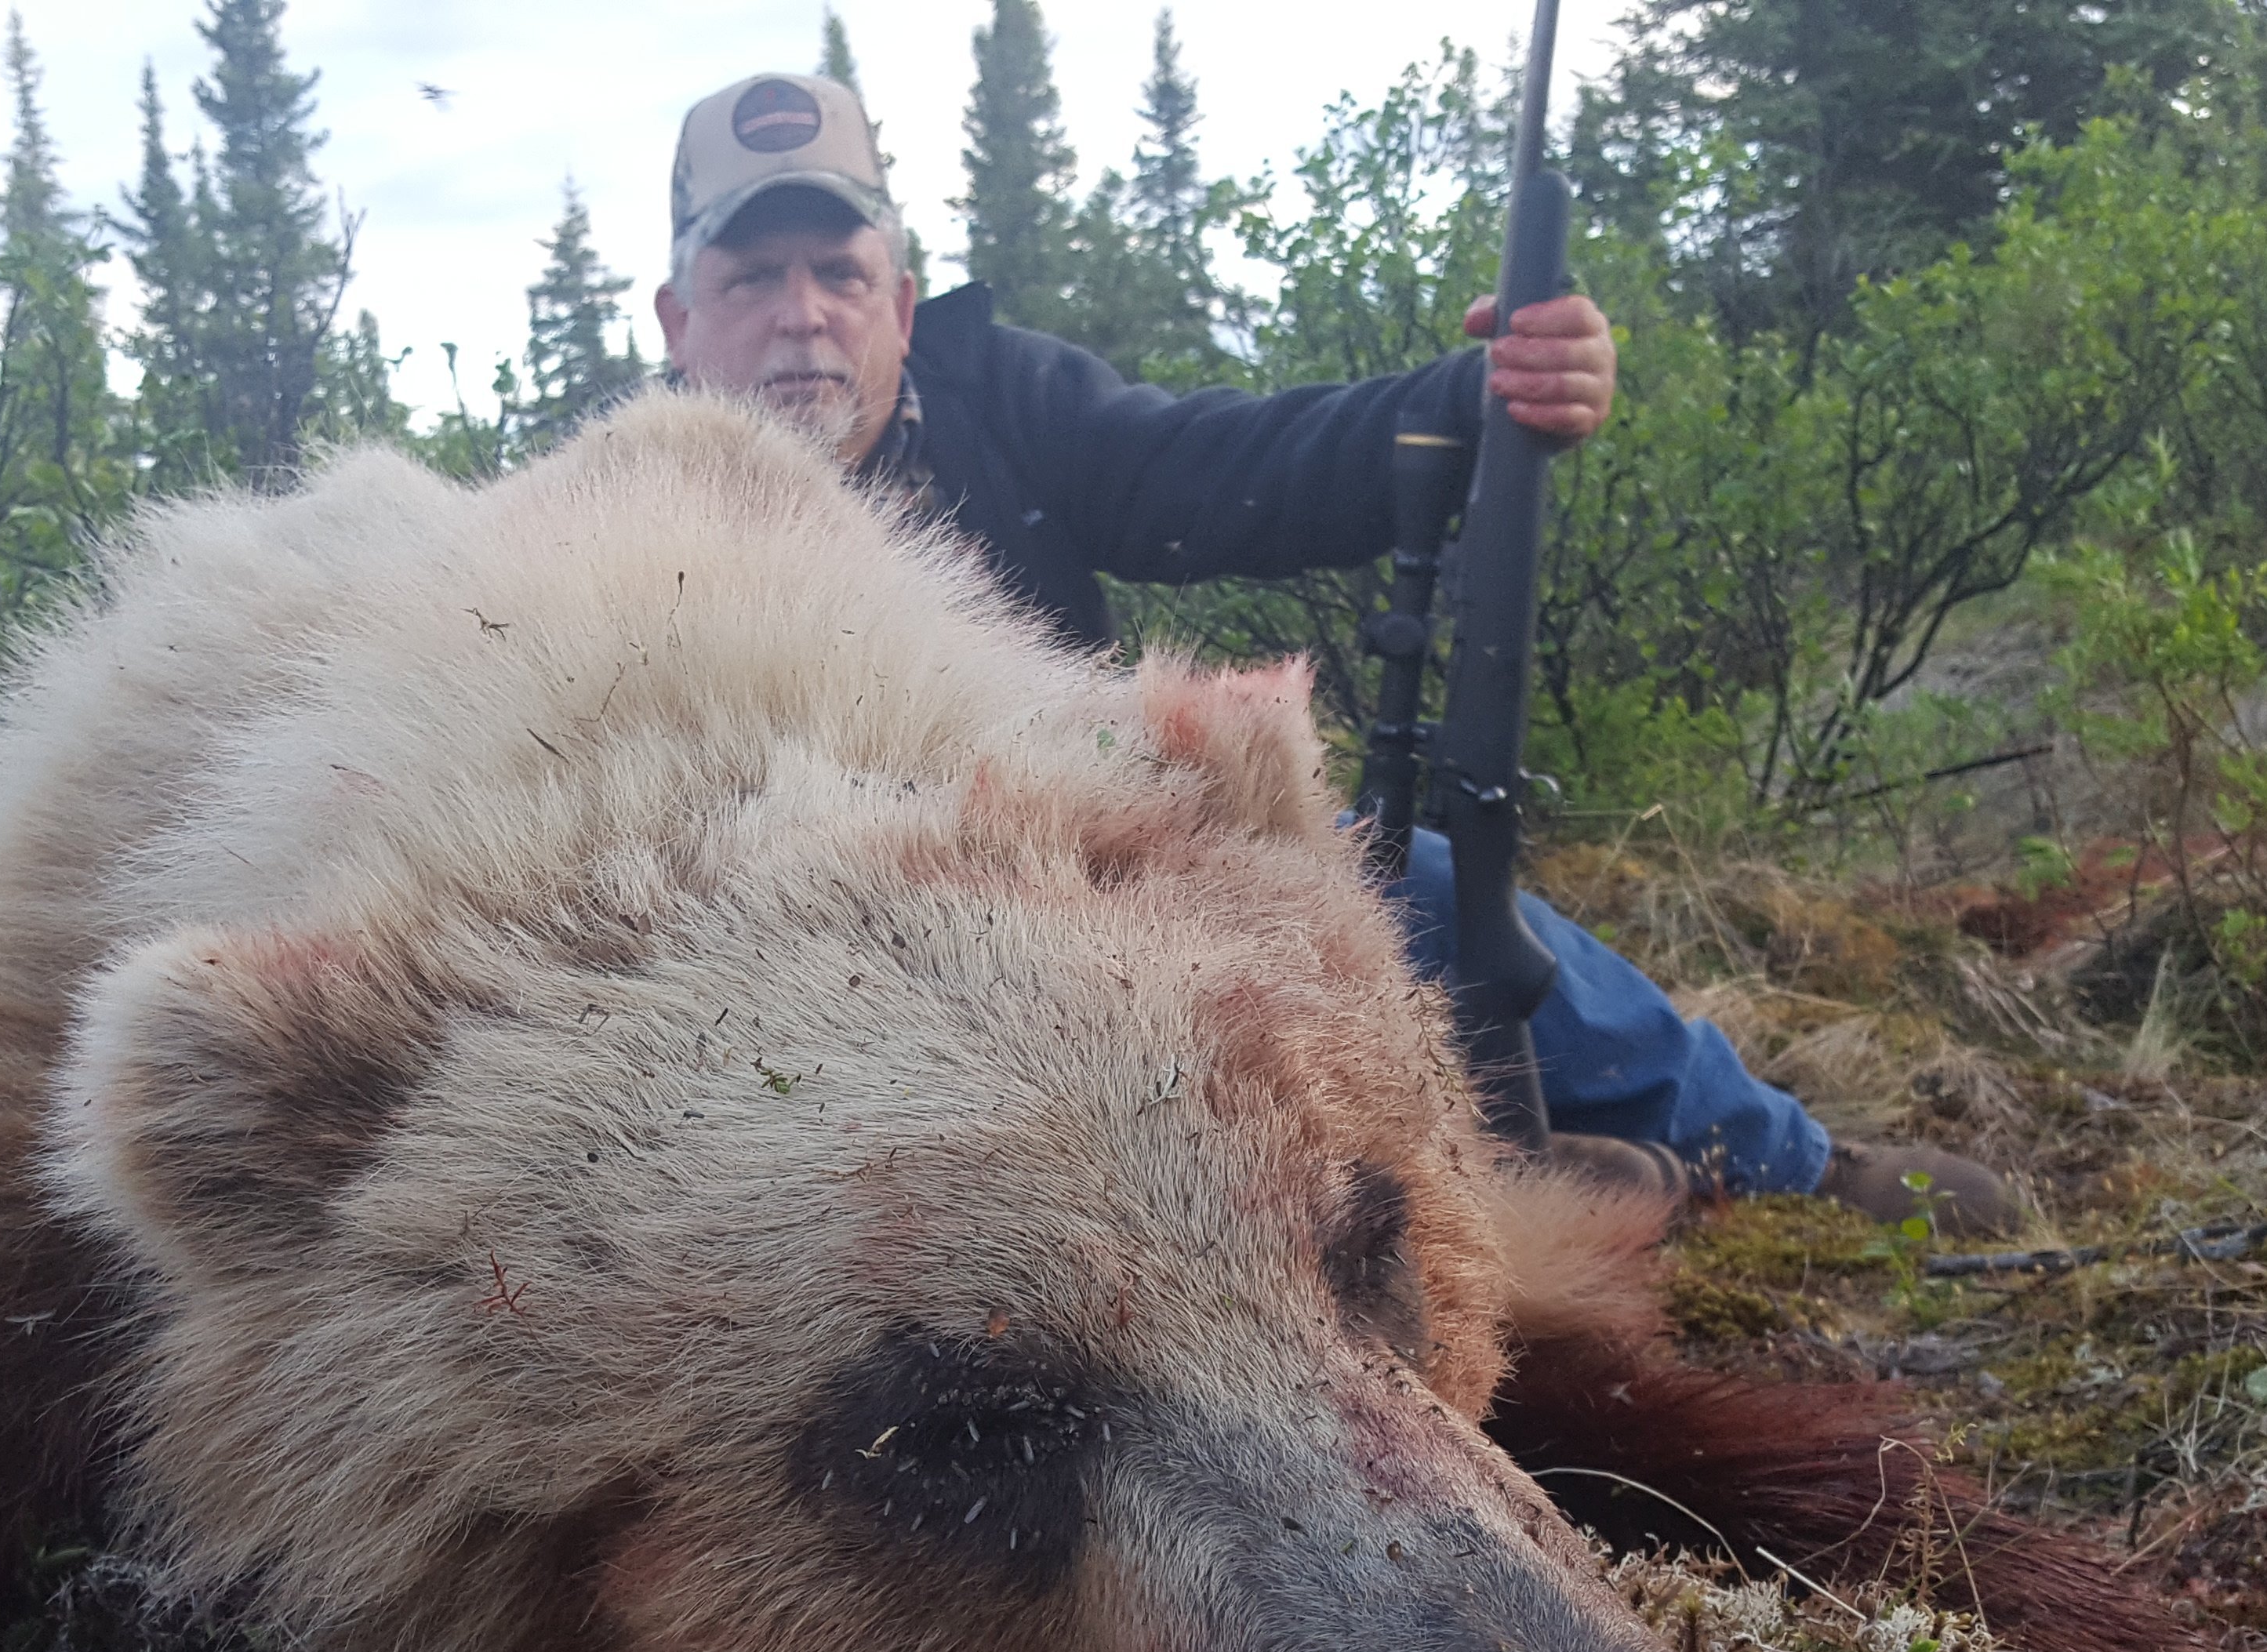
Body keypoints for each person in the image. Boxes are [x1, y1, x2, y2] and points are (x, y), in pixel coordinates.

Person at [648, 71, 2018, 1233]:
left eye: (841, 273)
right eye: (753, 276)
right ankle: (1515, 1185)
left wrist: (1469, 404)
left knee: (1400, 876)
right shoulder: (614, 530)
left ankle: (1797, 1168)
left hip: (1093, 902)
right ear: (676, 322)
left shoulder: (1006, 399)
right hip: (811, 980)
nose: (802, 314)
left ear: (901, 300)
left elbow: (1227, 464)